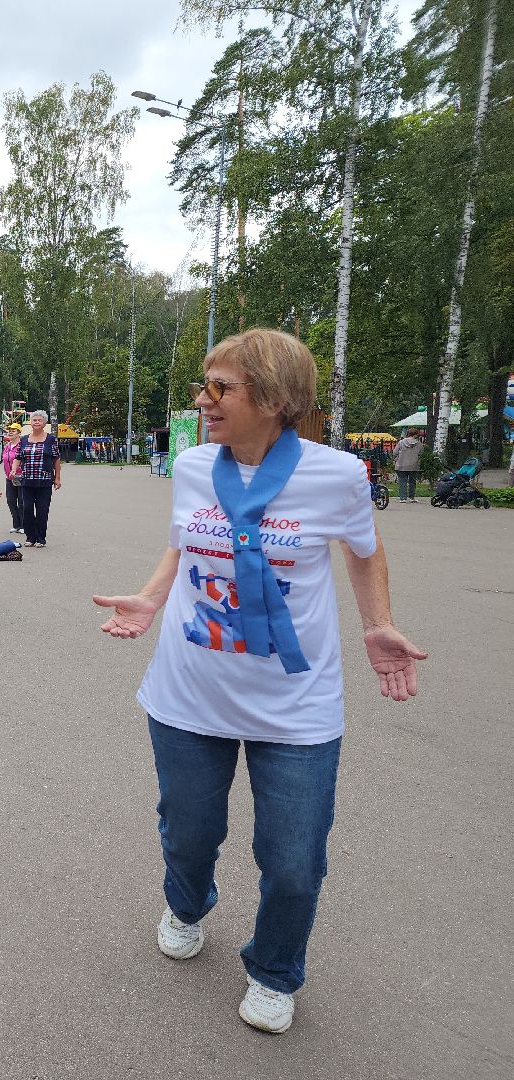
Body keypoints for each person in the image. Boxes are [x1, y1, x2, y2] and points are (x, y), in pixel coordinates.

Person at [92, 329, 427, 1035]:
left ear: (275, 400)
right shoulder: (190, 466)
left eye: (221, 388)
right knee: (188, 831)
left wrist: (378, 622)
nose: (202, 401)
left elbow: (365, 554)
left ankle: (275, 970)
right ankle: (188, 903)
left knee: (295, 860)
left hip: (296, 705)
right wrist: (154, 596)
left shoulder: (336, 475)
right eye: (204, 384)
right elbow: (185, 541)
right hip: (189, 692)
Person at [12, 410, 62, 548]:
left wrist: (57, 478)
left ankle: (41, 538)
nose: (37, 422)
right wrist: (13, 469)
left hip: (44, 481)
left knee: (42, 510)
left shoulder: (51, 439)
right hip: (27, 480)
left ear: (45, 423)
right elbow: (18, 457)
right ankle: (30, 537)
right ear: (31, 423)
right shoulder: (23, 440)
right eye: (34, 420)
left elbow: (56, 459)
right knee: (27, 509)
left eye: (40, 420)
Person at [1, 422, 24, 534]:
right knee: (10, 500)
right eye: (9, 430)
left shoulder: (22, 445)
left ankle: (24, 525)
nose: (10, 432)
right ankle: (16, 524)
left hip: (21, 477)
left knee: (22, 501)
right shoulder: (7, 446)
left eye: (13, 430)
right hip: (9, 478)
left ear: (19, 433)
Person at [392, 428, 424, 504]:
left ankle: (403, 498)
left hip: (401, 465)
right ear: (415, 435)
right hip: (414, 465)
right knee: (412, 482)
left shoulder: (401, 442)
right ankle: (412, 497)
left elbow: (394, 453)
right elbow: (421, 453)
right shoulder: (419, 443)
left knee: (402, 482)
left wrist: (396, 459)